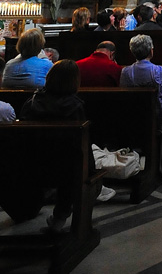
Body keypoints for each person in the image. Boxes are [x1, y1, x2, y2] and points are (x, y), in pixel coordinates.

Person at [20, 59, 116, 227]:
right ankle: (60, 217)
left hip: (31, 165)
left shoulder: (31, 103)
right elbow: (80, 144)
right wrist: (91, 169)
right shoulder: (74, 107)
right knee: (71, 164)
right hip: (66, 170)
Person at [120, 34, 162, 183]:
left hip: (135, 117)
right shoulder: (160, 71)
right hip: (158, 118)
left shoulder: (126, 72)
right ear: (151, 51)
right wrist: (157, 115)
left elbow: (124, 95)